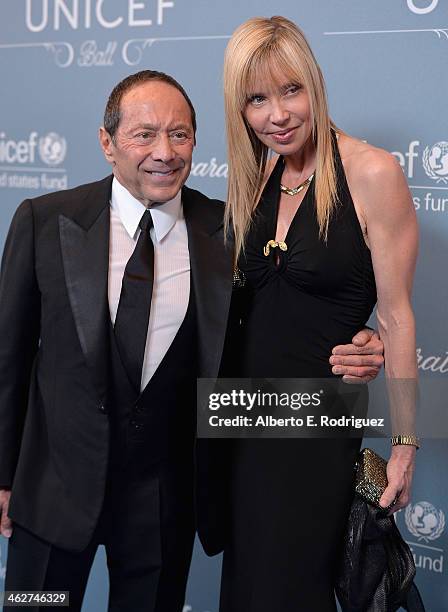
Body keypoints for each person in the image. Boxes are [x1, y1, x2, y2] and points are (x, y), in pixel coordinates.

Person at [0, 69, 383, 611]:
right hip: (52, 495)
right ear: (107, 143)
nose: (165, 152)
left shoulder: (230, 232)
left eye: (180, 135)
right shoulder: (45, 220)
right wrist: (2, 476)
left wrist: (365, 337)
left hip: (161, 505)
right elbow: (8, 360)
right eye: (145, 134)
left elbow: (283, 319)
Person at [213, 16, 419, 612]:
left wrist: (404, 443)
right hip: (241, 417)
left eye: (291, 90)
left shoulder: (372, 172)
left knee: (291, 587)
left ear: (318, 83)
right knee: (247, 587)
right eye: (256, 98)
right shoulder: (256, 178)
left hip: (316, 423)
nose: (276, 113)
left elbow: (398, 317)